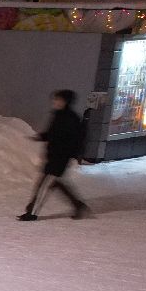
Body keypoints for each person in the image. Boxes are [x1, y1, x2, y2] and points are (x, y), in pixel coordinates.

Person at [18, 88, 91, 220]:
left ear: (65, 102)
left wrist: (70, 154)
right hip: (54, 156)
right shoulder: (59, 115)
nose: (55, 102)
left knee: (44, 184)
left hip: (60, 157)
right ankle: (79, 205)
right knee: (56, 183)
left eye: (58, 99)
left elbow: (73, 139)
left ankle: (32, 213)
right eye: (55, 99)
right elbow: (53, 134)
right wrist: (40, 137)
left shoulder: (70, 119)